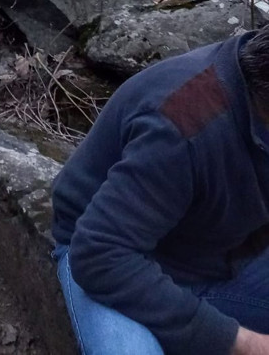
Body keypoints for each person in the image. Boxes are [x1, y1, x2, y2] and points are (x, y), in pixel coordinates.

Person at [51, 28, 269, 355]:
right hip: (109, 256)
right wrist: (241, 342)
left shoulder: (258, 87)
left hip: (214, 253)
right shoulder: (183, 126)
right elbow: (99, 253)